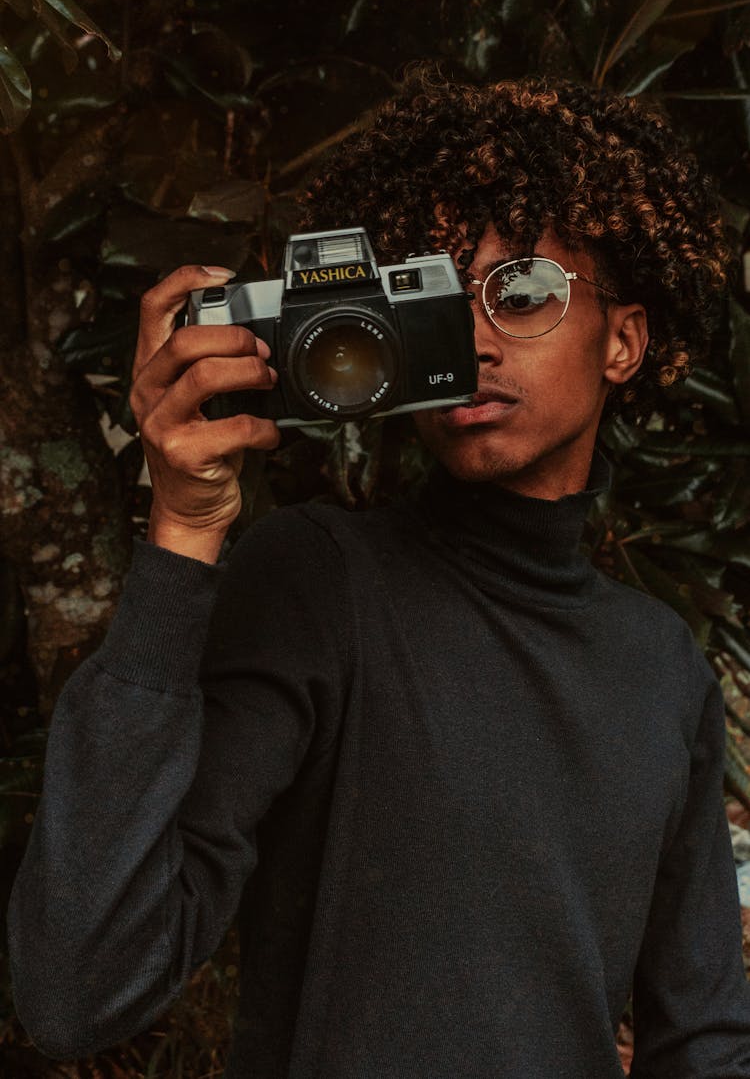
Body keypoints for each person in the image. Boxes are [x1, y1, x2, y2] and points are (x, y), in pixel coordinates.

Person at [8, 67, 750, 1077]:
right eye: (439, 292)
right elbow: (78, 986)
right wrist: (180, 532)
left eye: (522, 289)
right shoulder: (319, 582)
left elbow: (702, 1037)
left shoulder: (663, 668)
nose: (476, 337)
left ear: (623, 338)